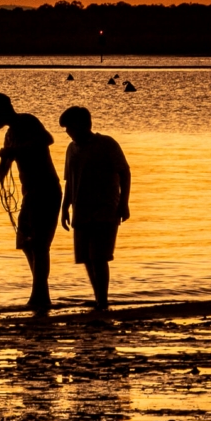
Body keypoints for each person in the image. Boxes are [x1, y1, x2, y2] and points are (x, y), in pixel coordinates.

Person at [0, 93, 62, 310]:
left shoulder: (27, 121)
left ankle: (40, 296)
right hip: (30, 194)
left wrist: (14, 150)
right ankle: (41, 292)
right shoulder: (9, 135)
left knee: (39, 245)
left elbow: (47, 140)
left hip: (46, 190)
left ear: (2, 109)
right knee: (26, 243)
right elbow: (1, 172)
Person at [58, 106, 131, 311]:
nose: (67, 132)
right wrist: (65, 208)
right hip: (80, 210)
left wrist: (124, 203)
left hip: (105, 209)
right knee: (85, 258)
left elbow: (124, 173)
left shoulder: (106, 144)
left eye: (69, 127)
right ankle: (99, 296)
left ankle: (102, 300)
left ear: (83, 125)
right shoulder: (71, 149)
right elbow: (69, 182)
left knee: (99, 257)